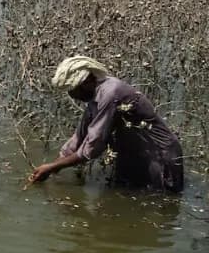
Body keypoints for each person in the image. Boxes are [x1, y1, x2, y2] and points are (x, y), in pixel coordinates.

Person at [30, 56, 183, 192]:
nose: (72, 96)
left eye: (73, 90)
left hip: (159, 156)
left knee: (159, 205)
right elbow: (80, 135)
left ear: (88, 81)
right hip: (136, 156)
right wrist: (53, 167)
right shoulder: (95, 97)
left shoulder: (110, 94)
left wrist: (53, 167)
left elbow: (93, 145)